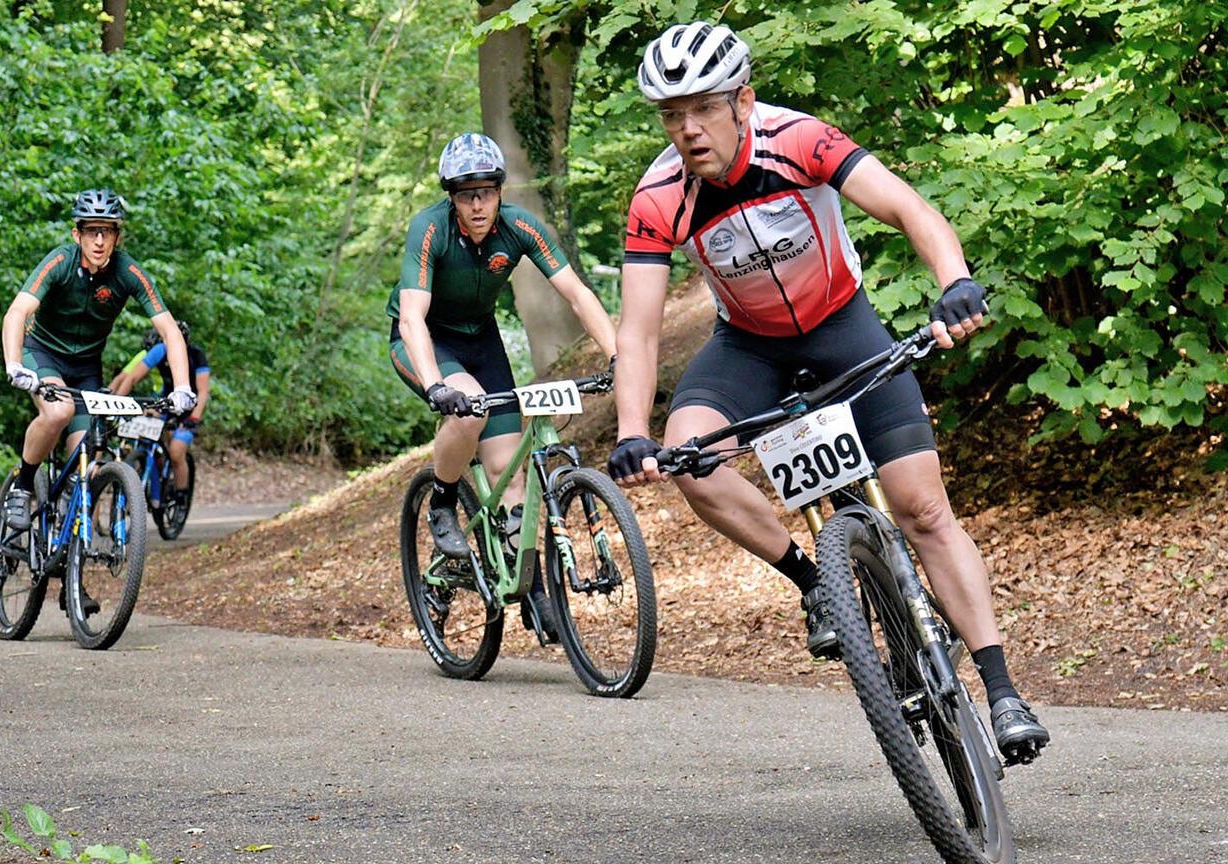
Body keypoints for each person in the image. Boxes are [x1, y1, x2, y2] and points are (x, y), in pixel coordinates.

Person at [607, 23, 1048, 764]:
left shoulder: (798, 140)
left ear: (743, 101)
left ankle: (1002, 689)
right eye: (671, 114)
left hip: (843, 324)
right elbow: (639, 333)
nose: (687, 128)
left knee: (922, 508)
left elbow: (909, 208)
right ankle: (815, 583)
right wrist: (628, 430)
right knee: (691, 457)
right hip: (748, 347)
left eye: (704, 107)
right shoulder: (659, 197)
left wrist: (955, 283)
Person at [388, 132, 618, 636]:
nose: (477, 204)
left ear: (499, 191)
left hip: (481, 340)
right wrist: (434, 386)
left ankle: (530, 587)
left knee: (511, 476)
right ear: (451, 196)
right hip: (426, 340)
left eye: (486, 192)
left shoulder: (518, 227)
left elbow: (577, 293)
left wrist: (619, 355)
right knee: (467, 406)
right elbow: (411, 317)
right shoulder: (430, 229)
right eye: (466, 194)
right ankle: (444, 502)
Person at [0, 189, 196, 613]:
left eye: (107, 232)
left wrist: (182, 388)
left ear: (117, 236)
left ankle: (71, 579)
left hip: (86, 367)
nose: (99, 241)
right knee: (59, 411)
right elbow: (17, 313)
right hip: (43, 355)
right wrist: (16, 364)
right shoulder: (59, 262)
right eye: (91, 232)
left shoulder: (128, 272)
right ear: (77, 234)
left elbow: (169, 331)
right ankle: (21, 487)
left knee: (86, 460)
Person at [110, 320, 211, 504]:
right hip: (167, 401)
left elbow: (203, 391)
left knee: (176, 451)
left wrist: (195, 417)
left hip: (189, 408)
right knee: (145, 425)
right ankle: (152, 466)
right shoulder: (160, 349)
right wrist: (118, 404)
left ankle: (180, 494)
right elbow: (132, 377)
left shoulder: (197, 355)